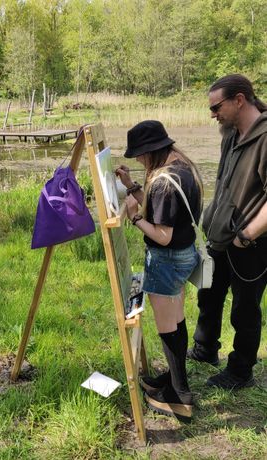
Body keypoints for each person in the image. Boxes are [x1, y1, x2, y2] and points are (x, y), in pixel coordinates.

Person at [116, 120, 203, 421]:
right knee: (176, 321)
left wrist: (133, 218)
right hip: (183, 255)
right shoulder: (181, 167)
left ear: (150, 150)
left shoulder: (164, 182)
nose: (139, 161)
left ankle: (180, 397)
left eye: (139, 155)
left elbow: (162, 234)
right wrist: (132, 186)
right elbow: (164, 212)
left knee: (167, 327)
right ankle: (174, 378)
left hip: (166, 259)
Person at [187, 74, 267, 389]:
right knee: (208, 293)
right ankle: (205, 349)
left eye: (216, 107)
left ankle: (240, 371)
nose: (213, 114)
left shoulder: (264, 138)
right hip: (219, 236)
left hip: (250, 243)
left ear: (239, 100)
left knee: (245, 309)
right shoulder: (230, 134)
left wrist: (247, 235)